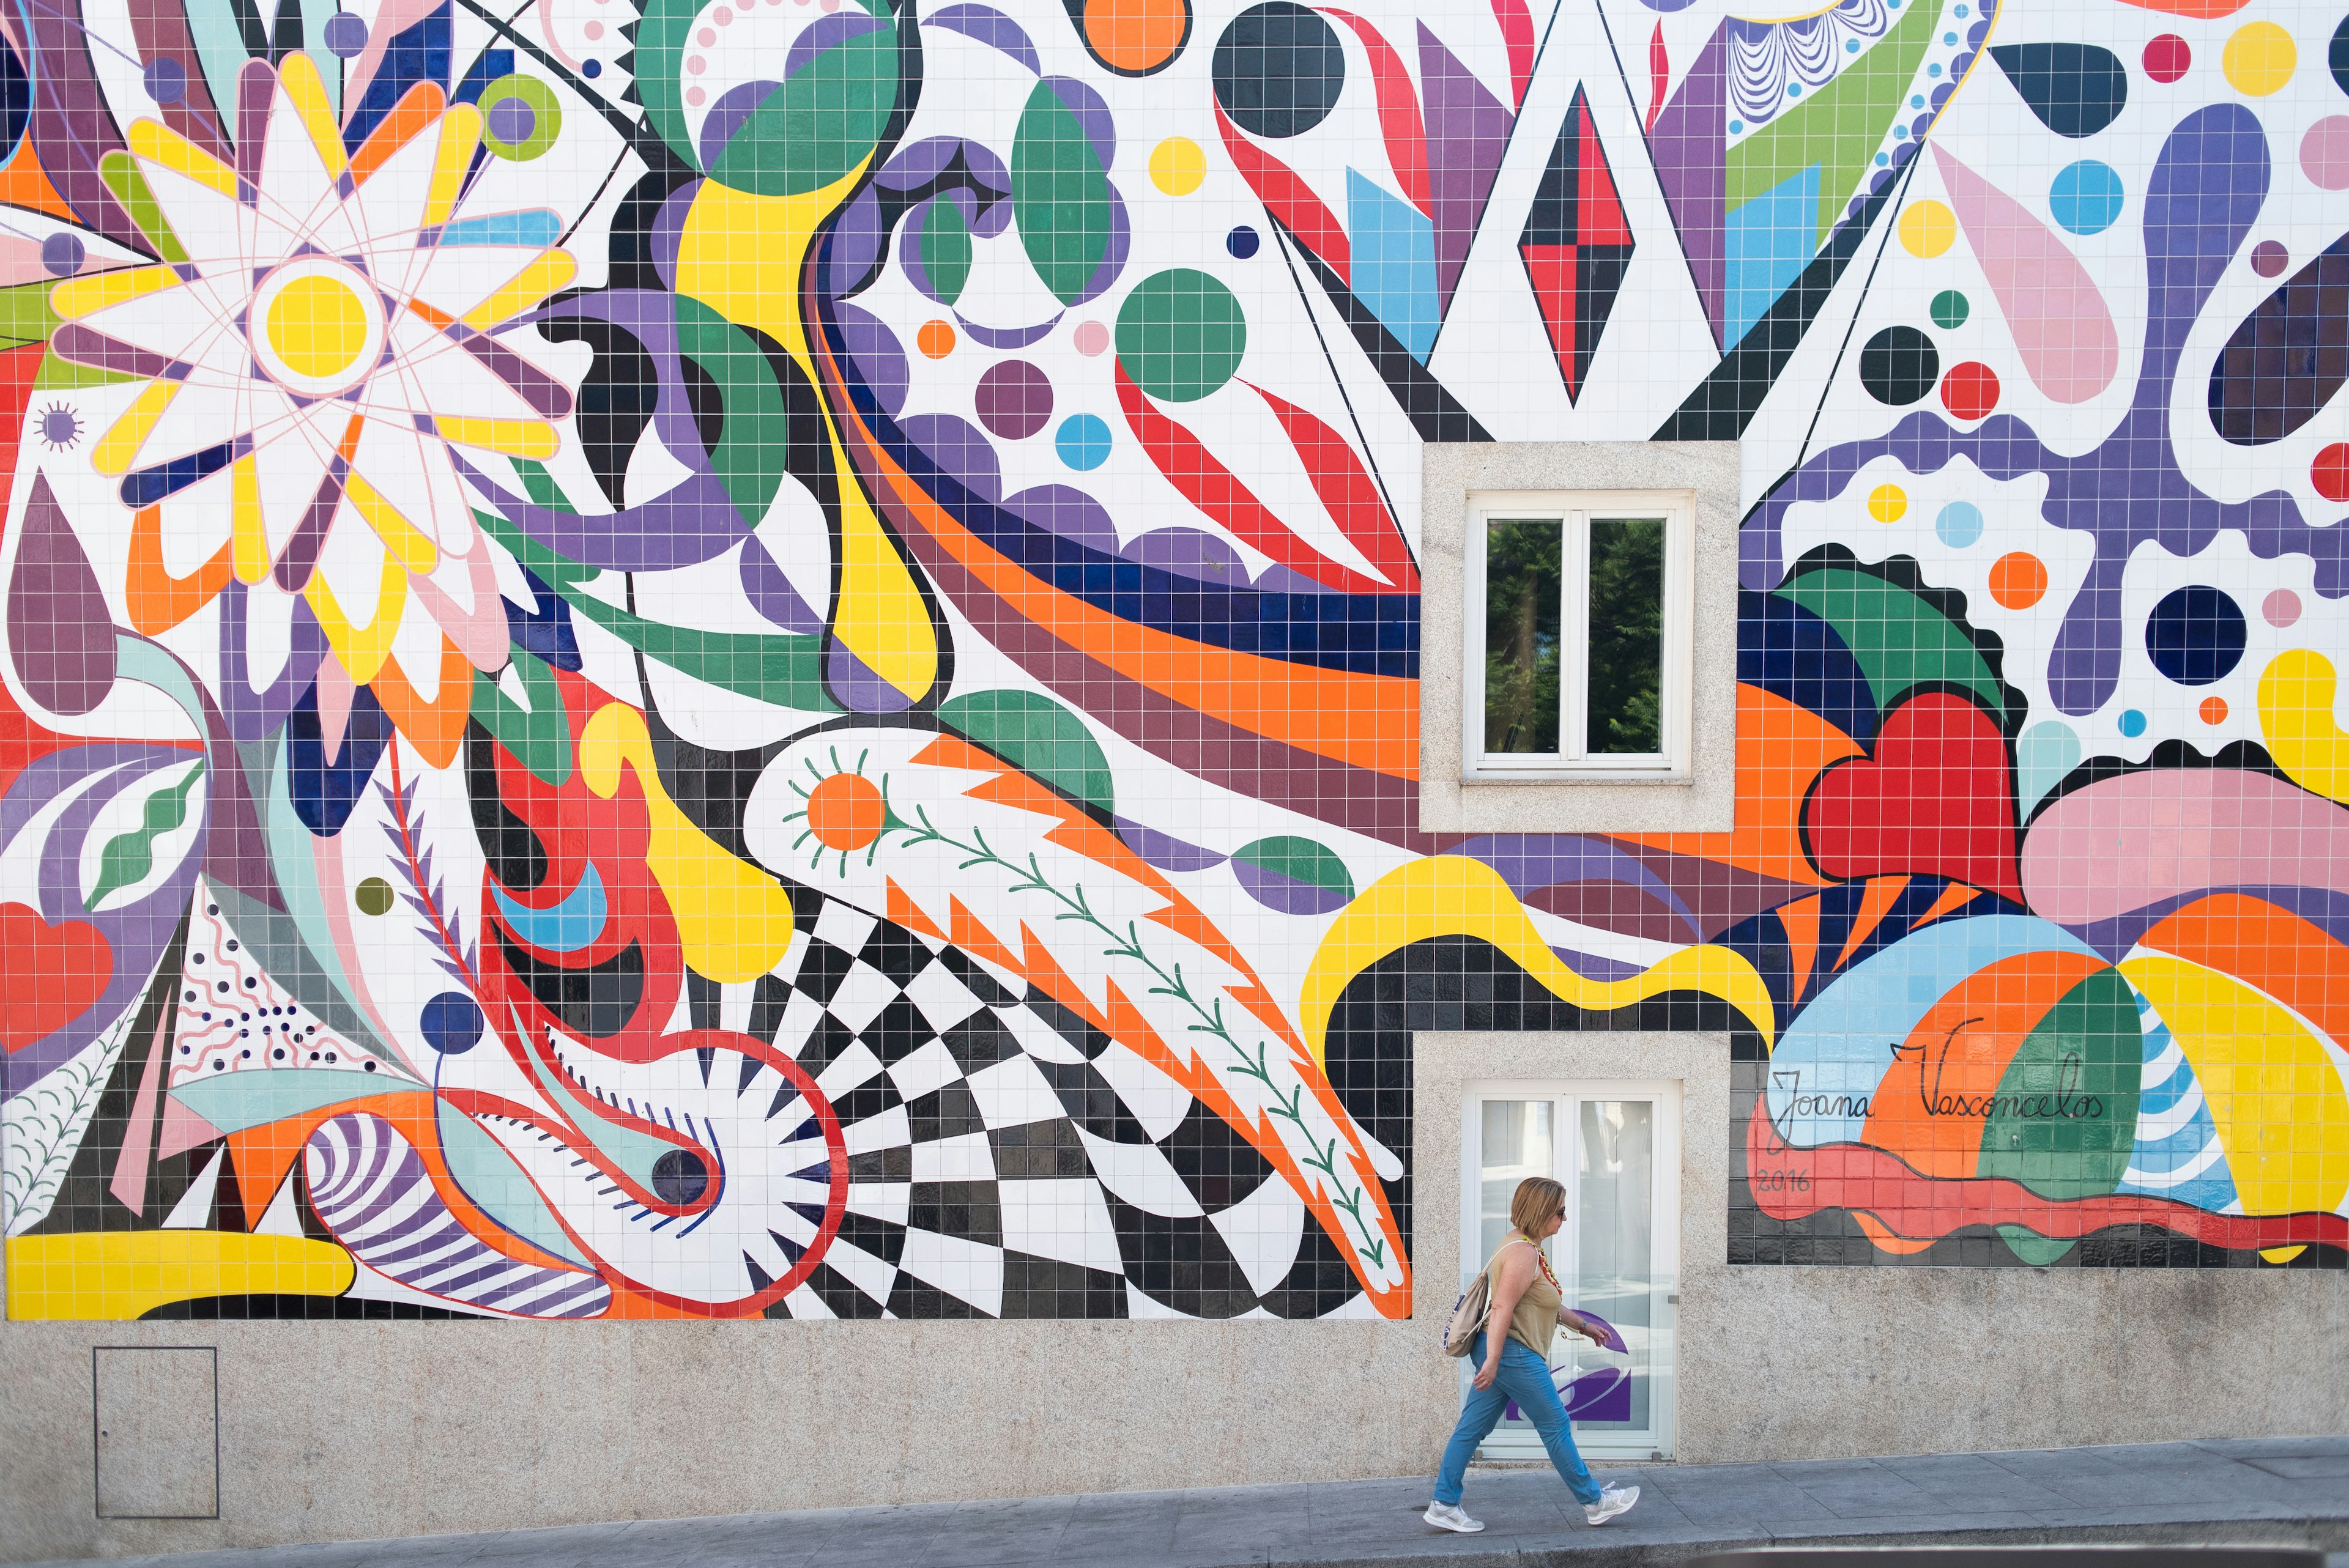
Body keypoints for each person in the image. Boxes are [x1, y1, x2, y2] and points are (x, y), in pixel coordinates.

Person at [1423, 1175, 1641, 1534]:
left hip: (1504, 1353)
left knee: (1471, 1428)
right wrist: (1494, 1360)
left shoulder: (1522, 1246)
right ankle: (1595, 1502)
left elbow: (1545, 1304)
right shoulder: (1523, 1254)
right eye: (1560, 1212)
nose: (1565, 1219)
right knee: (1555, 1425)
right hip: (1514, 1355)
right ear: (1542, 1213)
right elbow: (1504, 1308)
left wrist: (1584, 1327)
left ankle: (1444, 1504)